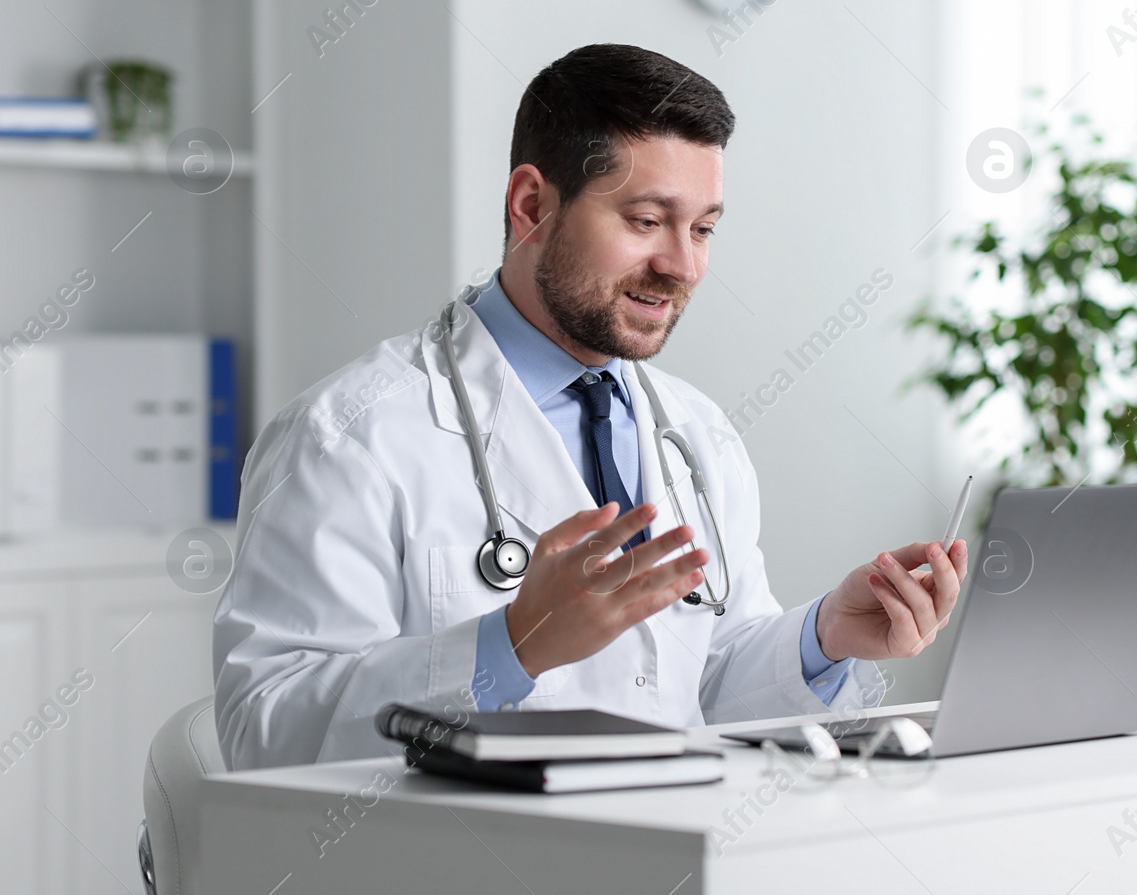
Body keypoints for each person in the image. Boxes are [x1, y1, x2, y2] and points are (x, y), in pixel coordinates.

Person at [213, 44, 969, 769]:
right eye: (646, 221)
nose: (683, 265)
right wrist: (510, 645)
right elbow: (265, 734)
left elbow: (700, 689)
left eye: (703, 228)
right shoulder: (348, 436)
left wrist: (824, 635)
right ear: (531, 204)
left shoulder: (697, 437)